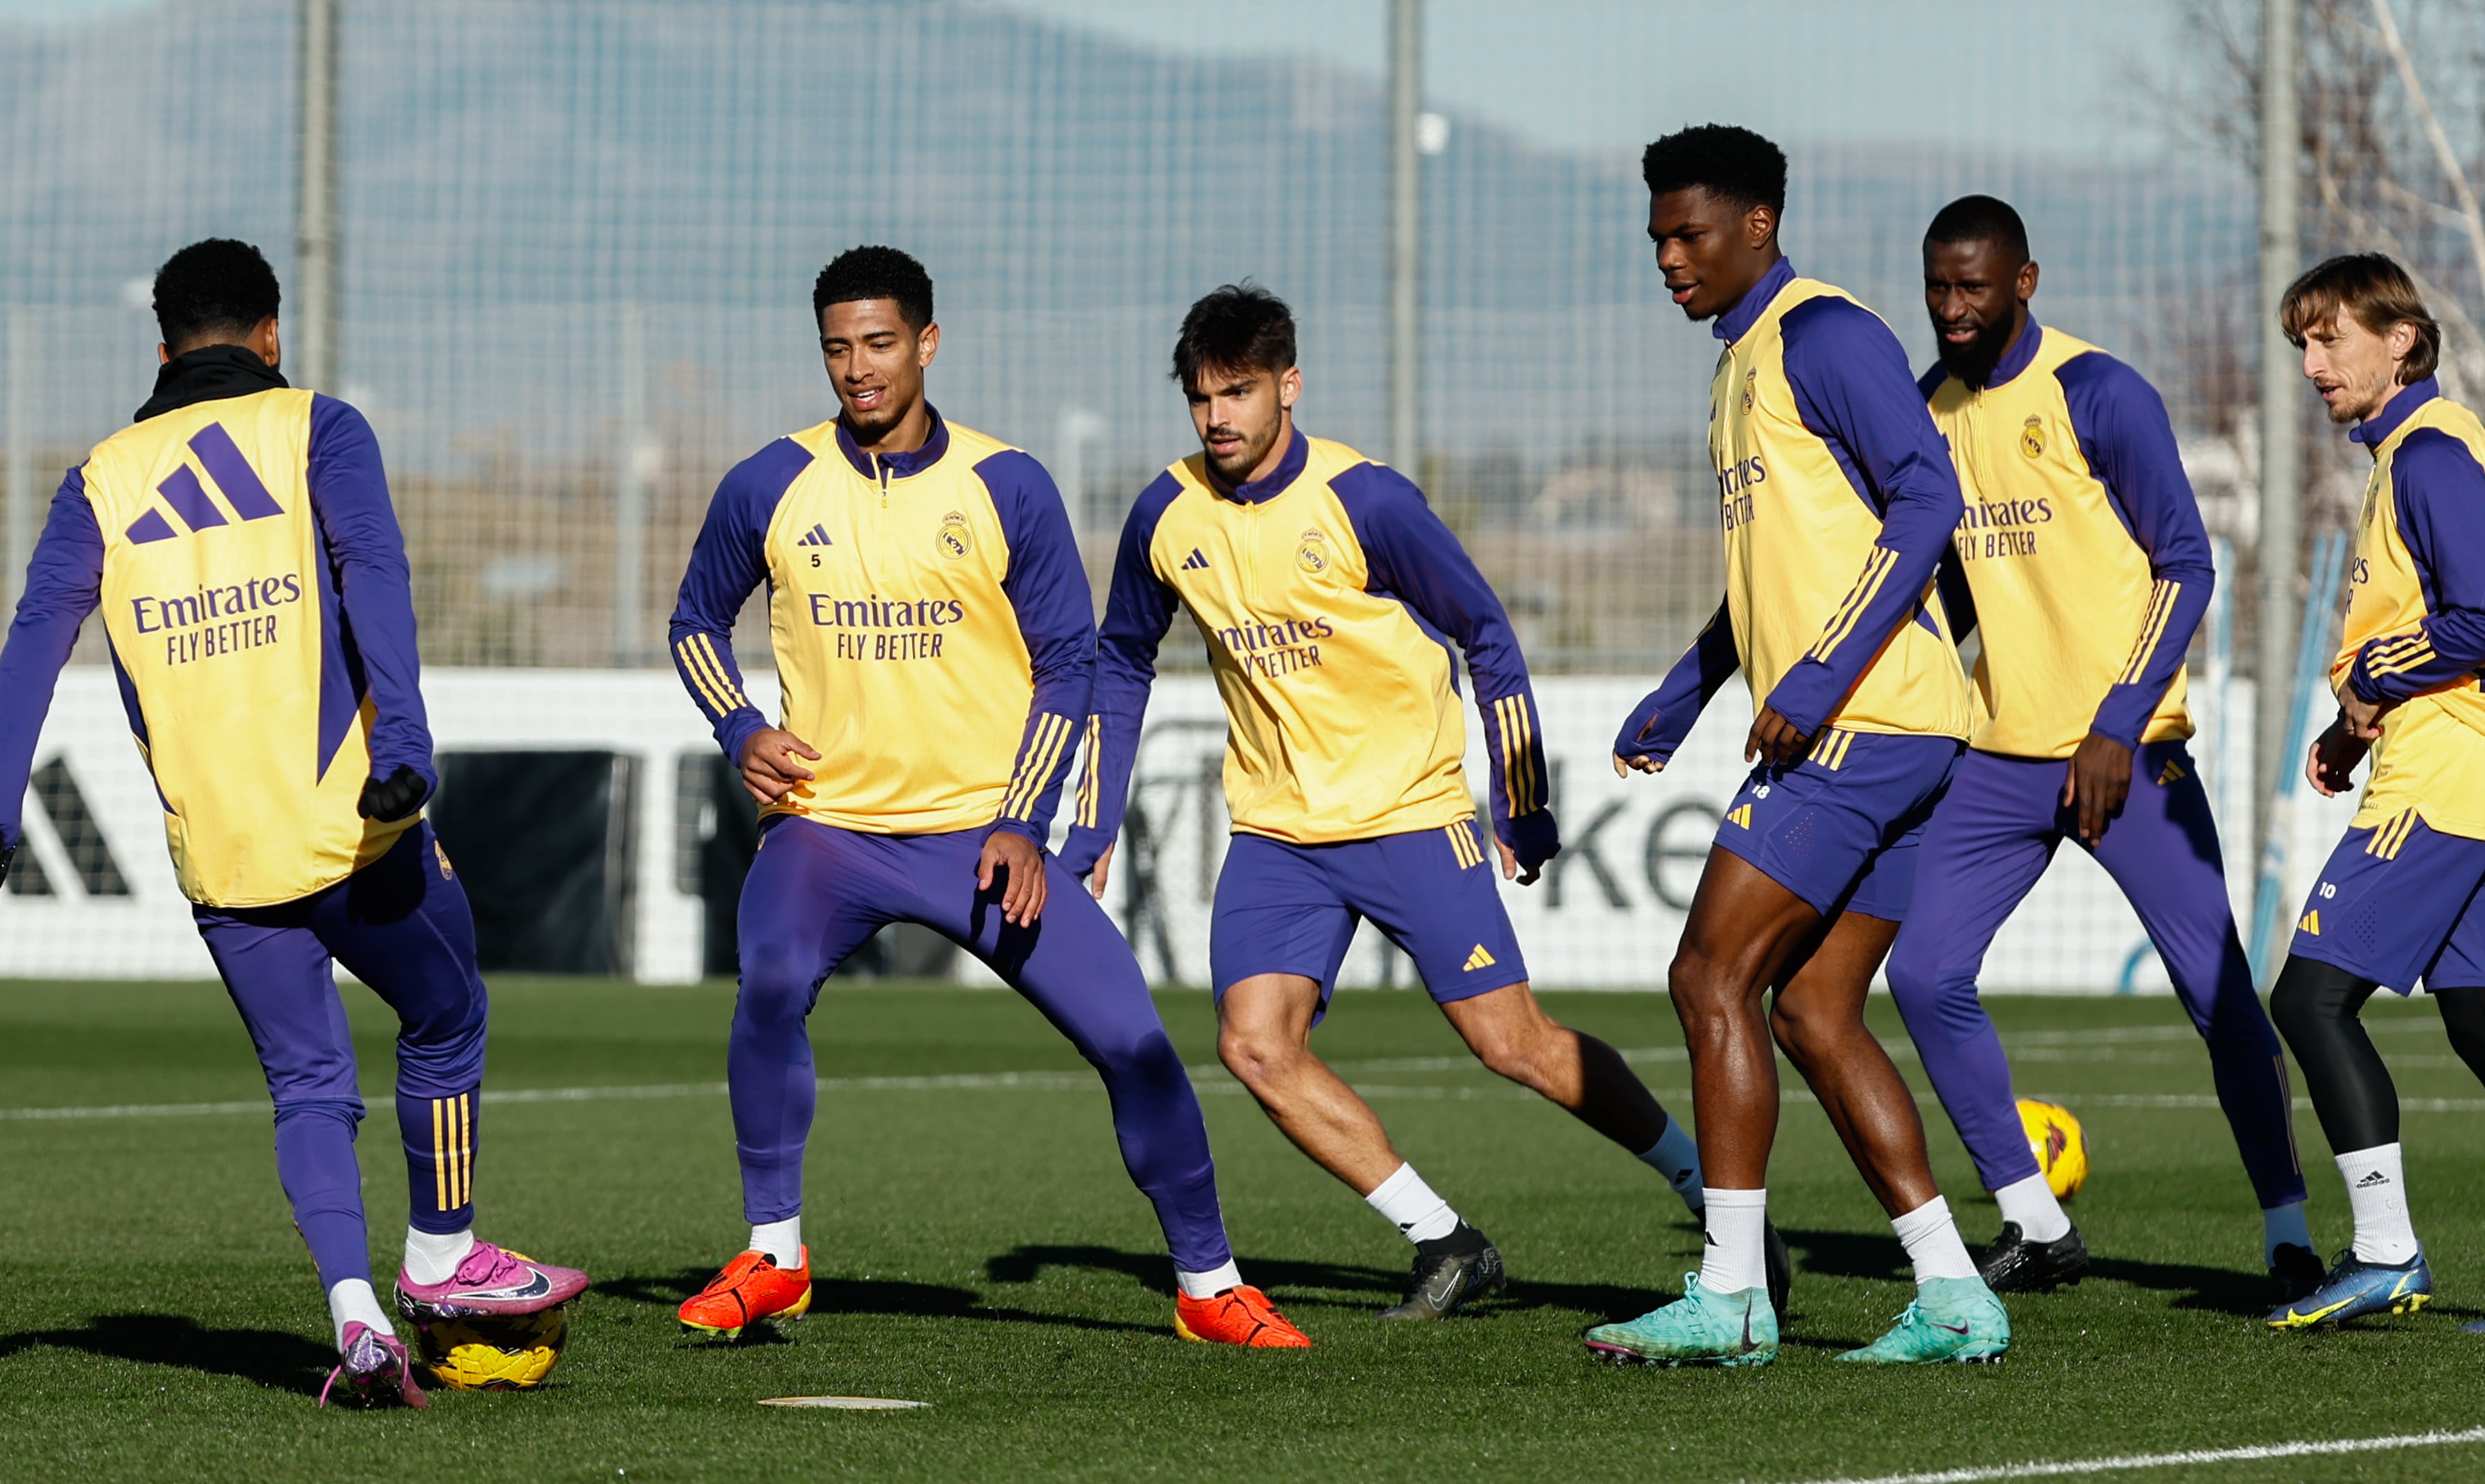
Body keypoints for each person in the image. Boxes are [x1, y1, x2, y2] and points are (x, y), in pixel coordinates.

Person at [0, 239, 586, 1410]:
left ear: (162, 347)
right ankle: (442, 1257)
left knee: (308, 1085)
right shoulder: (317, 428)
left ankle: (354, 1318)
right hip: (355, 821)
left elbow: (38, 632)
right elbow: (374, 573)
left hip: (223, 852)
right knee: (446, 1014)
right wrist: (406, 752)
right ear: (272, 335)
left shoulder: (102, 476)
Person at [1059, 284, 1741, 1321]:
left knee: (1512, 1042)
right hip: (1281, 831)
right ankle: (1446, 1239)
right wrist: (1094, 821)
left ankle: (1712, 1196)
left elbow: (1486, 632)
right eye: (1201, 397)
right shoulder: (1166, 513)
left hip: (1412, 814)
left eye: (1239, 392)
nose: (1218, 418)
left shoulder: (1367, 501)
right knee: (1254, 1043)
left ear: (1289, 384)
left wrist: (1520, 800)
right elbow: (1122, 660)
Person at [665, 246, 1307, 1349]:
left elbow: (1072, 663)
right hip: (829, 828)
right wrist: (741, 729)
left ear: (926, 342)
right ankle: (774, 1254)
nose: (857, 369)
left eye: (878, 343)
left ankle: (1209, 1283)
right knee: (768, 980)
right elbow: (691, 623)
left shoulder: (1006, 484)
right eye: (836, 347)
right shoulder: (768, 482)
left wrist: (1023, 819)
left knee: (1136, 1044)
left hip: (982, 838)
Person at [1584, 126, 2009, 1367]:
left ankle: (1730, 1294)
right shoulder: (1741, 365)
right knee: (1816, 1012)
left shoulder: (1824, 335)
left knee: (1708, 978)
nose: (1668, 257)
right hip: (1901, 727)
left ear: (1758, 225)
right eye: (1658, 236)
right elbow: (1781, 574)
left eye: (1690, 235)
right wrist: (1688, 688)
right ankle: (1953, 1291)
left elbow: (1931, 498)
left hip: (1867, 726)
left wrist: (1820, 677)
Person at [1885, 196, 2312, 1296]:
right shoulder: (1927, 410)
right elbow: (1950, 591)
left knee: (2219, 997)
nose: (1953, 307)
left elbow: (2188, 564)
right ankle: (2035, 1221)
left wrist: (2118, 723)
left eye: (1974, 285)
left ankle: (2290, 1234)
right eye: (1938, 286)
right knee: (1926, 974)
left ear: (2024, 281)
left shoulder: (2099, 391)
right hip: (2000, 752)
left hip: (2131, 759)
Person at [2261, 253, 2485, 1334]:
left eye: (2330, 339)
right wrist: (2348, 725)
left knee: (2308, 1001)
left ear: (2401, 337)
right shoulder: (2409, 456)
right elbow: (2444, 633)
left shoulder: (2427, 451)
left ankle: (2384, 1250)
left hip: (2448, 774)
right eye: (2304, 345)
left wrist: (2367, 681)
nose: (2314, 364)